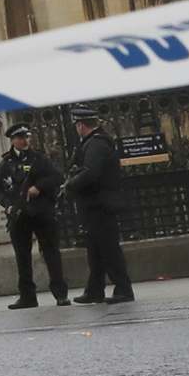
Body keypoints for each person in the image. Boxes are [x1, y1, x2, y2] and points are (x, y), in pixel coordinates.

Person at [0, 122, 68, 308]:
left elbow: (57, 177)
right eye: (20, 138)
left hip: (41, 212)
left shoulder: (39, 159)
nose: (24, 141)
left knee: (51, 252)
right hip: (19, 215)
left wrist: (38, 187)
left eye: (26, 137)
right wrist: (8, 205)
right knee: (22, 257)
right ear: (13, 141)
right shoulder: (6, 163)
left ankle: (60, 294)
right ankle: (27, 296)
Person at [66, 107, 132, 303]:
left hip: (100, 205)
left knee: (109, 249)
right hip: (94, 204)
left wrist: (70, 183)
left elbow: (90, 172)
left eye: (77, 125)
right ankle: (94, 290)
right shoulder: (93, 143)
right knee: (95, 251)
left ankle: (123, 289)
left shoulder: (96, 144)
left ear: (80, 125)